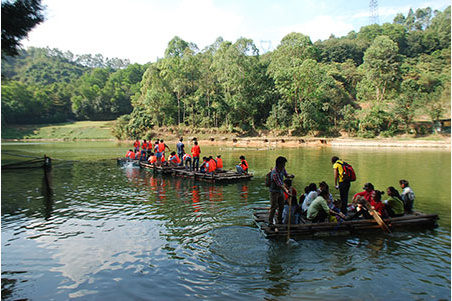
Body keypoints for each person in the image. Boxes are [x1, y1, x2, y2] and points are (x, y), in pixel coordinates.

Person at [268, 156, 295, 226]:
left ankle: (279, 220)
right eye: (283, 164)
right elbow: (279, 184)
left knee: (281, 206)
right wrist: (286, 192)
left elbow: (286, 175)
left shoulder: (282, 169)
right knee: (273, 207)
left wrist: (290, 176)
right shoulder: (274, 173)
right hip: (274, 192)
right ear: (279, 164)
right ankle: (270, 222)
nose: (284, 165)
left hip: (280, 191)